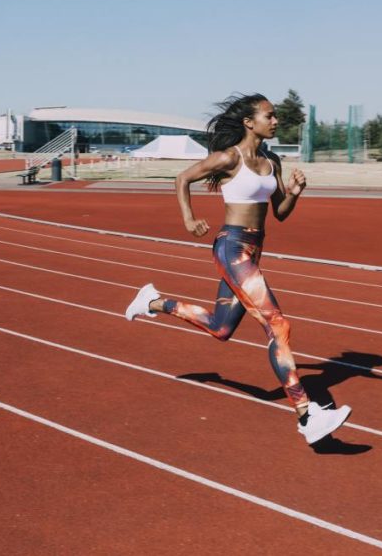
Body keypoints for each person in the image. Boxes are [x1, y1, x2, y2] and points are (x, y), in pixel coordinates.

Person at [124, 93, 351, 444]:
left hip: (253, 249)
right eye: (269, 116)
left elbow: (280, 213)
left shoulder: (271, 160)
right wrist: (189, 218)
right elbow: (182, 179)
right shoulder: (229, 158)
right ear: (249, 122)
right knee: (277, 323)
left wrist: (294, 192)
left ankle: (152, 303)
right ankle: (307, 415)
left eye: (275, 117)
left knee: (221, 328)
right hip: (231, 247)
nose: (276, 121)